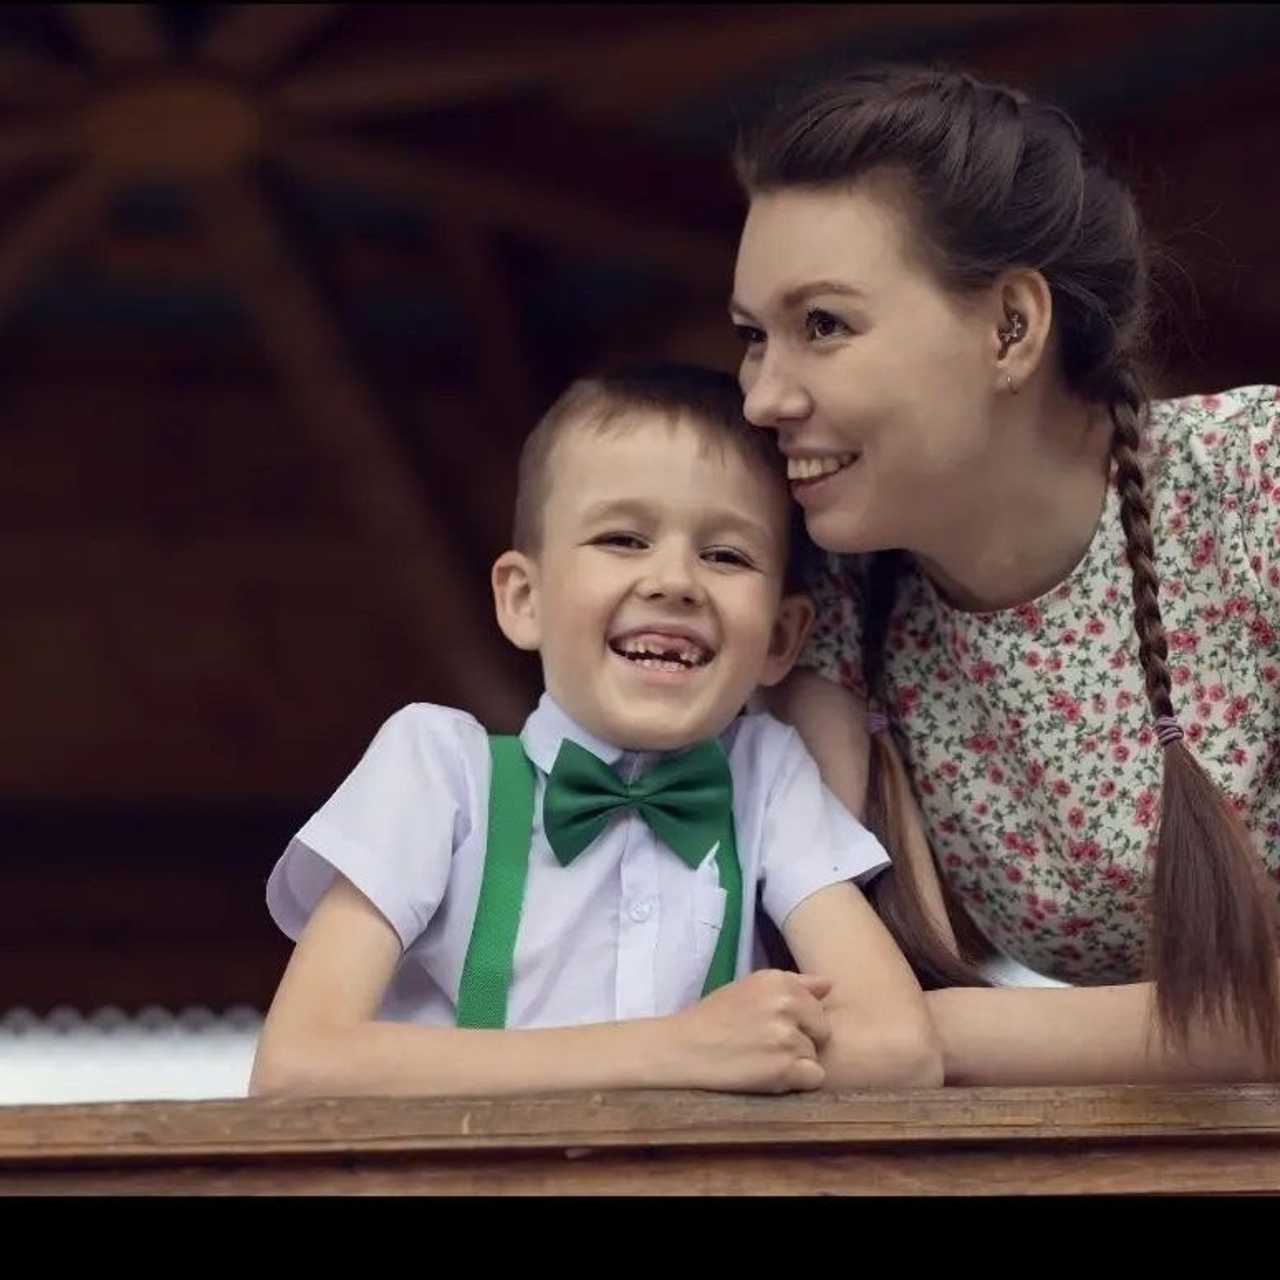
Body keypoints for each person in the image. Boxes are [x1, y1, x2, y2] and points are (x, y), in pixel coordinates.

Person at [728, 60, 1280, 1084]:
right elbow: (801, 969)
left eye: (821, 326)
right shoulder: (837, 598)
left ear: (1010, 327)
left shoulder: (1256, 483)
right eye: (751, 338)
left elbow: (859, 1035)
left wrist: (927, 1036)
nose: (763, 395)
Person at [250, 361, 942, 1099]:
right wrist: (669, 1052)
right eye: (622, 539)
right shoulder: (436, 768)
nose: (674, 580)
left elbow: (899, 1050)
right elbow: (297, 1066)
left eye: (725, 555)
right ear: (524, 598)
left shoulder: (767, 779)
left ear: (780, 636)